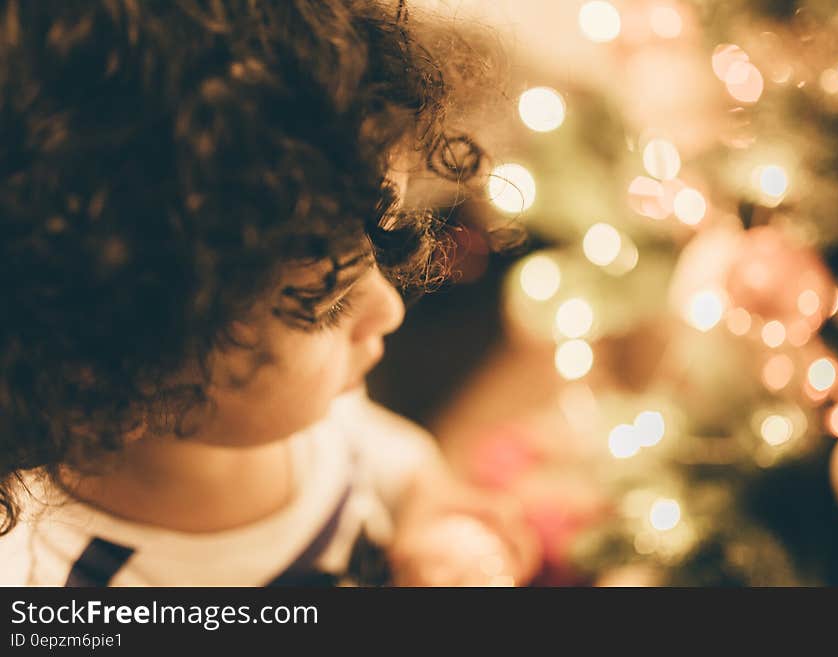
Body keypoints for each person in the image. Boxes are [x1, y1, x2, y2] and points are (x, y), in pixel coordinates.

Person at [0, 0, 539, 586]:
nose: (386, 311)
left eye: (373, 256)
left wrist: (431, 514)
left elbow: (394, 462)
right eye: (327, 304)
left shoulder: (311, 411)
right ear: (127, 370)